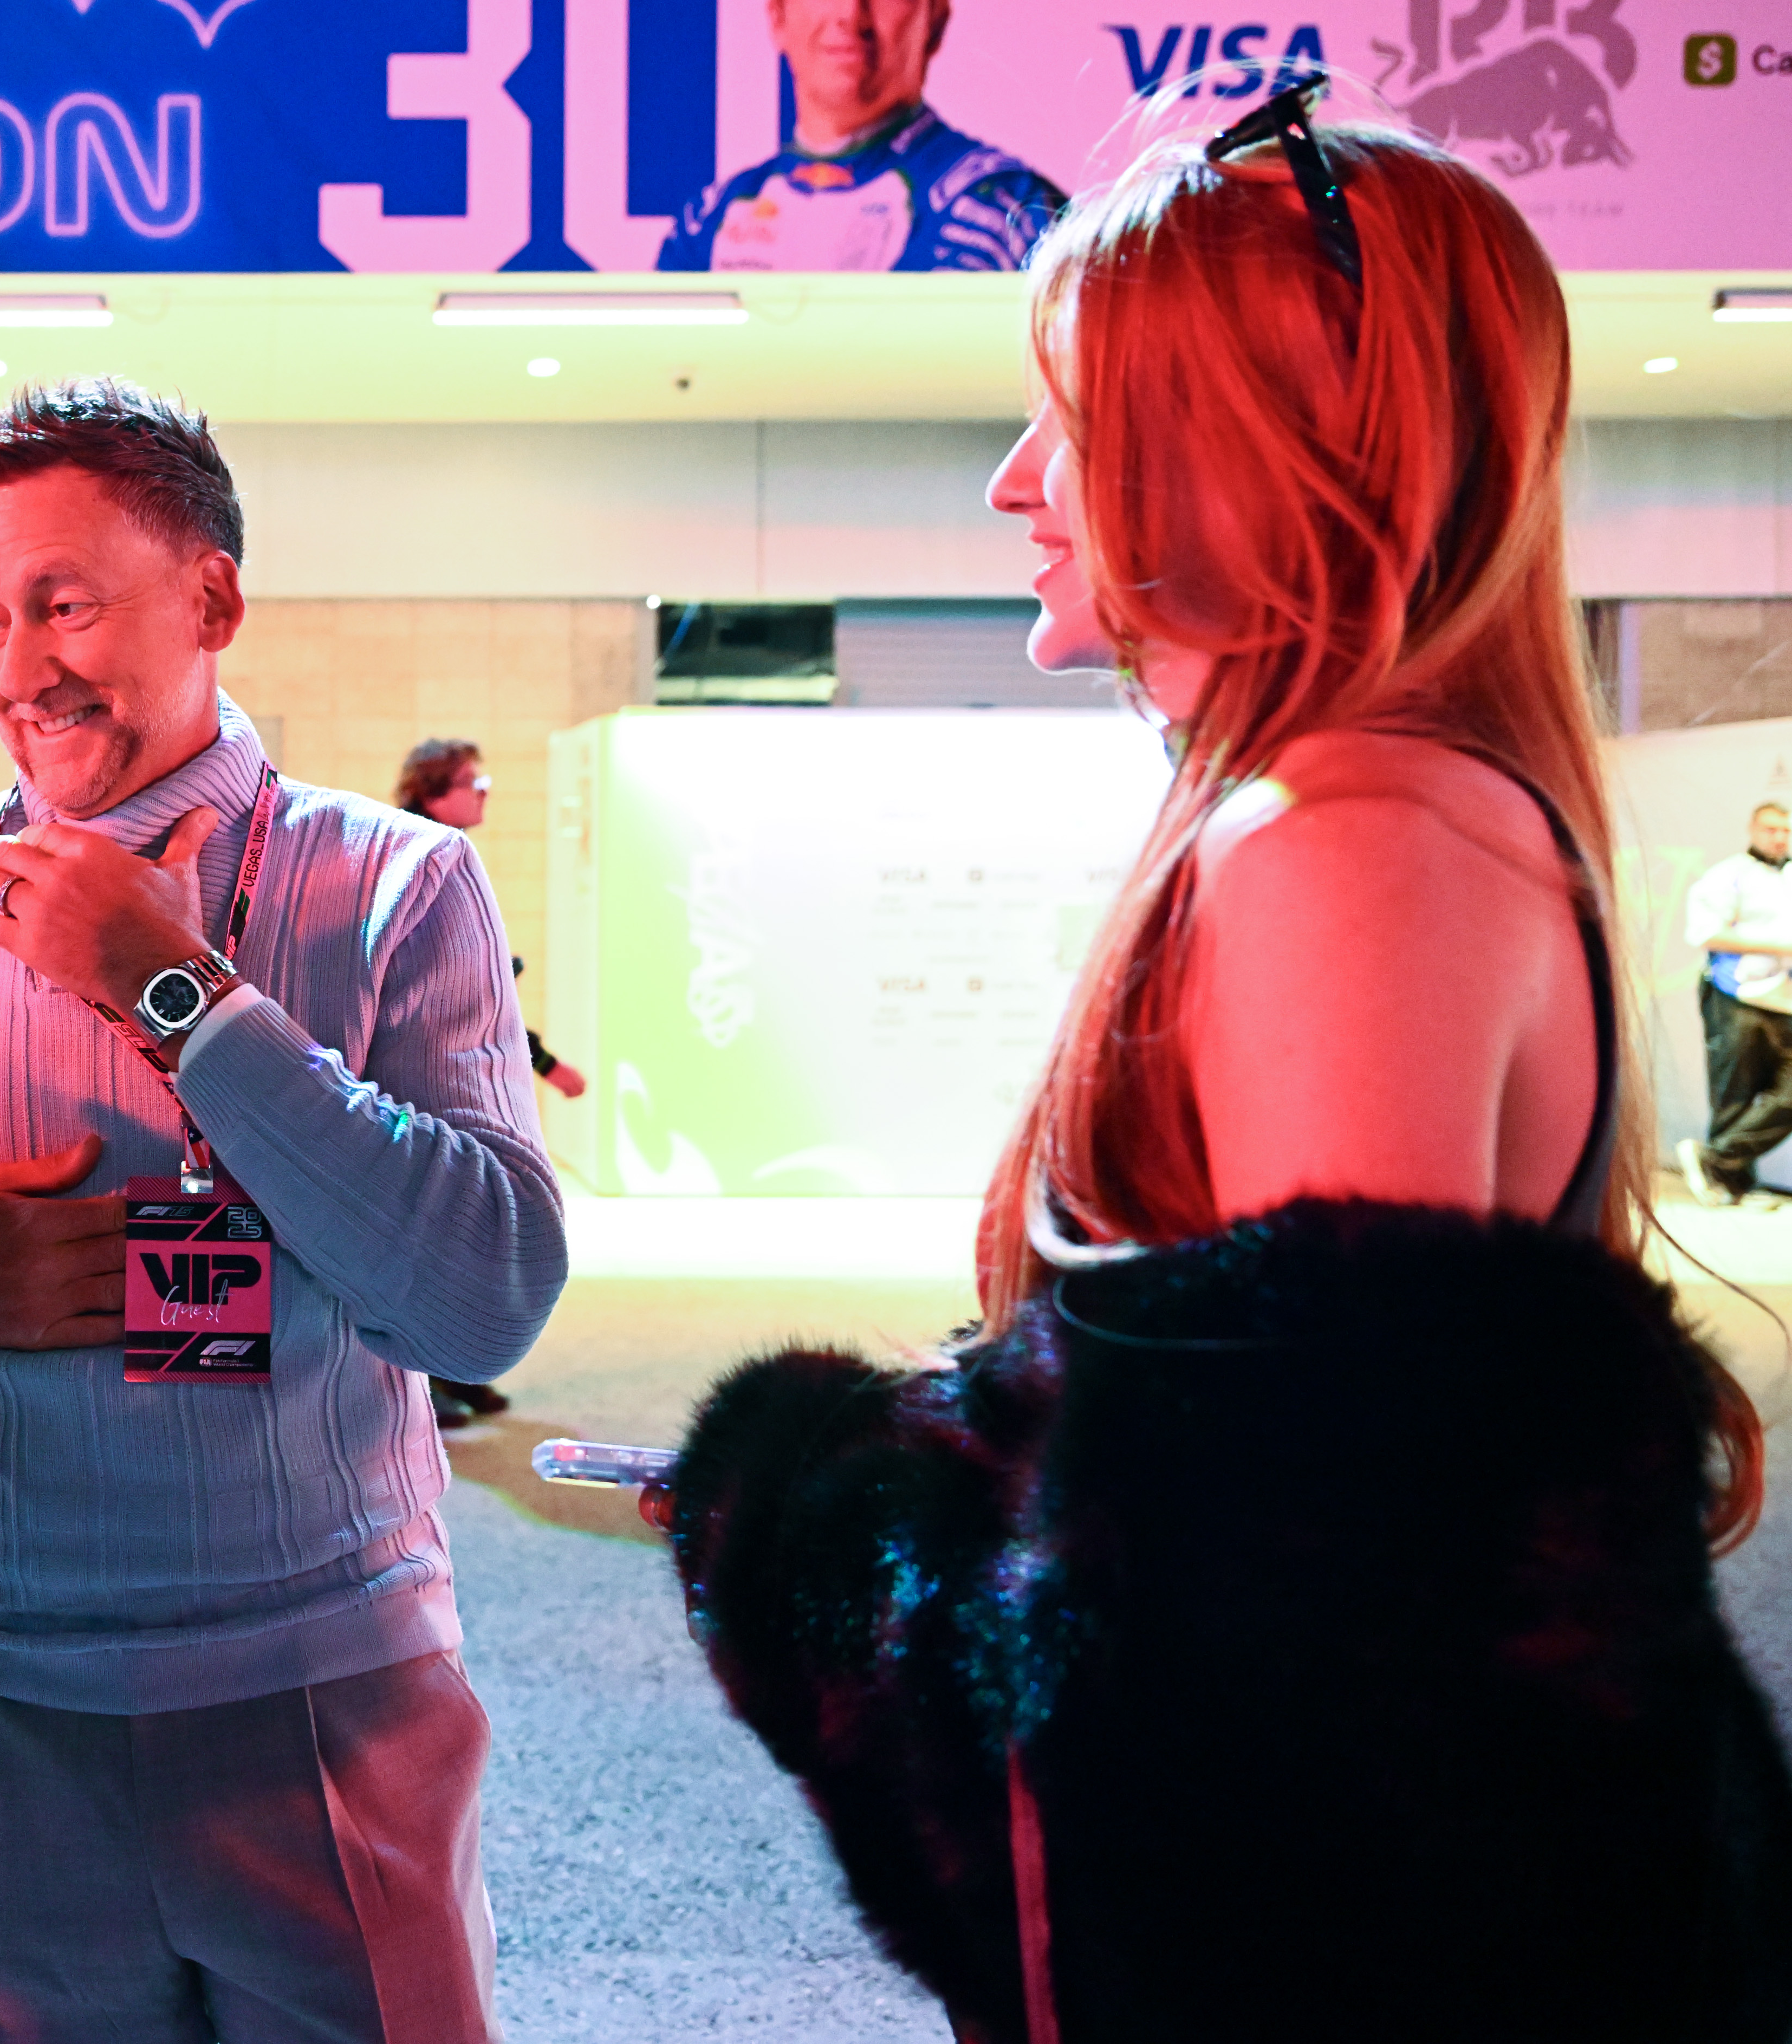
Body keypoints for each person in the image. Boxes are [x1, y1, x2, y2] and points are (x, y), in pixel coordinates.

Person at [659, 96, 1791, 2044]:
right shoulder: (1380, 813)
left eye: (1080, 418)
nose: (1019, 484)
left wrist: (792, 1516)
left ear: (1274, 455)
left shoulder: (1339, 843)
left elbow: (1281, 1730)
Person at [0, 378, 566, 2044]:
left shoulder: (392, 885)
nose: (19, 663)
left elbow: (482, 1302)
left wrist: (179, 994)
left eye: (64, 601)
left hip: (318, 1688)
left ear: (211, 600)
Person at [394, 736, 583, 1429]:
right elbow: (464, 998)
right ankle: (429, 1377)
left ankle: (454, 1370)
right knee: (431, 1237)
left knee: (458, 1237)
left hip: (442, 1081)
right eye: (475, 780)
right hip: (422, 1086)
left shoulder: (434, 853)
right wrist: (547, 1065)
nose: (484, 793)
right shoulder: (423, 859)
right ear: (436, 788)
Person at [658, 0, 1064, 274]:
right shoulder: (707, 226)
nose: (852, 15)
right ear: (777, 16)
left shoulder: (1006, 211)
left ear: (935, 21)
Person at [1679, 800, 1792, 1208]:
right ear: (1753, 829)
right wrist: (1780, 945)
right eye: (1771, 828)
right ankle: (1733, 1185)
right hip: (1735, 994)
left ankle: (1716, 1161)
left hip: (1784, 998)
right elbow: (1706, 933)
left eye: (1786, 829)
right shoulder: (1728, 876)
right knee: (1736, 1092)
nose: (1779, 836)